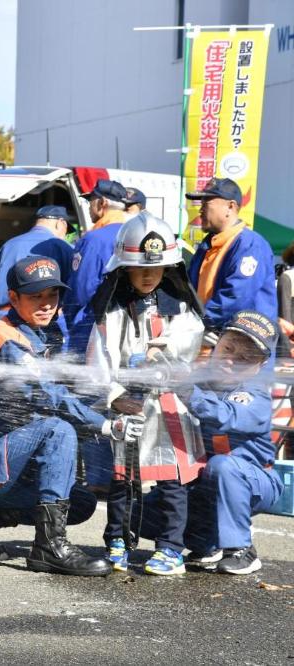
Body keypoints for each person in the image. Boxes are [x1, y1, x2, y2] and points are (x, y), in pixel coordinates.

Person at [0, 255, 122, 577]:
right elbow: (49, 397)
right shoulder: (5, 337)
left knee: (80, 502)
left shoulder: (35, 335)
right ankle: (49, 548)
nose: (46, 304)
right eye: (35, 296)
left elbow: (58, 389)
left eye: (51, 295)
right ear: (13, 298)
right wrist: (106, 425)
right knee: (57, 429)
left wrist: (114, 398)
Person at [85, 213, 205, 575]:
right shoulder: (111, 310)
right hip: (129, 405)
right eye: (139, 269)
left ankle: (171, 547)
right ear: (124, 269)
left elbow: (191, 337)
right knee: (123, 479)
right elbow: (97, 360)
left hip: (169, 405)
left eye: (156, 268)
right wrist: (114, 396)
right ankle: (118, 540)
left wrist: (164, 346)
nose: (148, 275)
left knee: (172, 479)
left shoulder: (180, 307)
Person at [143, 310, 284, 575]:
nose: (231, 360)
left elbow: (224, 417)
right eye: (228, 348)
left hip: (255, 482)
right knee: (143, 512)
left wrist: (186, 390)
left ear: (261, 364)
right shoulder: (199, 377)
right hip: (204, 483)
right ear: (217, 341)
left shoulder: (255, 396)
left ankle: (241, 550)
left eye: (244, 358)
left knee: (223, 466)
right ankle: (207, 543)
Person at [185, 177, 277, 344]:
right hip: (215, 344)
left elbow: (236, 296)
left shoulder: (251, 245)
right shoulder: (207, 246)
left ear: (230, 206)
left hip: (246, 351)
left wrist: (199, 324)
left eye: (206, 203)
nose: (200, 209)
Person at [63, 180, 130, 354]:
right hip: (129, 331)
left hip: (91, 330)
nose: (88, 207)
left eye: (90, 201)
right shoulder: (134, 235)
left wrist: (72, 326)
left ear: (102, 203)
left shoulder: (94, 240)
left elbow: (80, 291)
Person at [0, 206, 74, 313]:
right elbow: (73, 292)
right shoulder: (65, 248)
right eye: (67, 231)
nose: (65, 235)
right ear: (61, 223)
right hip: (46, 318)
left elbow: (0, 283)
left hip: (8, 318)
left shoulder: (9, 245)